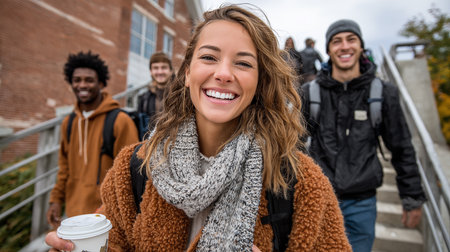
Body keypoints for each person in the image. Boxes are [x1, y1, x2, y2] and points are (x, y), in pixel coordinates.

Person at [45, 5, 351, 251]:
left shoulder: (302, 184)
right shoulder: (133, 169)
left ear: (261, 82)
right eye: (209, 57)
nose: (223, 73)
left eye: (243, 63)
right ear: (188, 71)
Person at [300, 19, 426, 252]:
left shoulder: (382, 92)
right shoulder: (310, 92)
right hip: (318, 199)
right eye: (336, 41)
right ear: (328, 49)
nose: (344, 46)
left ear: (361, 46)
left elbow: (401, 146)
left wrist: (412, 196)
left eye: (351, 39)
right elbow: (292, 146)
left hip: (362, 202)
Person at [46, 51, 139, 229]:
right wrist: (55, 200)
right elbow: (64, 167)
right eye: (77, 80)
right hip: (73, 216)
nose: (82, 85)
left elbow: (129, 175)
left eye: (89, 80)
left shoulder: (120, 121)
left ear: (101, 83)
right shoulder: (69, 122)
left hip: (106, 219)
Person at [137, 52, 174, 130]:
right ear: (151, 71)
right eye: (156, 68)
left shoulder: (181, 94)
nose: (159, 72)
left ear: (171, 71)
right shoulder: (144, 98)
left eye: (163, 67)